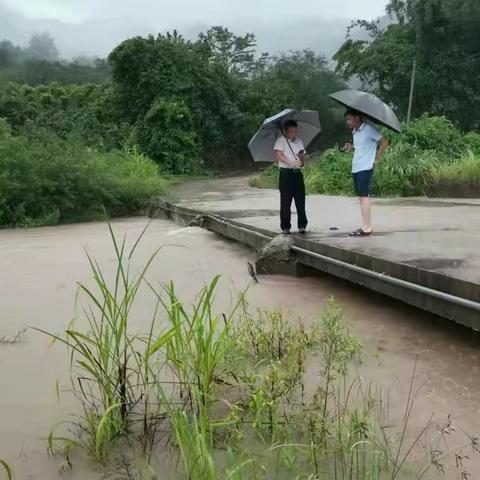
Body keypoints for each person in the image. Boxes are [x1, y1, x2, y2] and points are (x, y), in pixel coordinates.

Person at [343, 109, 389, 237]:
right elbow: (360, 147)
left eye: (349, 119)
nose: (348, 122)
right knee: (361, 197)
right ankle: (365, 225)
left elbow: (384, 141)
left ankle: (367, 228)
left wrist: (377, 159)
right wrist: (350, 147)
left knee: (364, 196)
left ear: (357, 117)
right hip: (356, 167)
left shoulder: (368, 129)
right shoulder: (355, 132)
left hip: (365, 167)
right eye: (347, 120)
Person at [273, 119, 308, 234]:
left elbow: (303, 160)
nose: (293, 134)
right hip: (285, 173)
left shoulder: (299, 141)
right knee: (285, 201)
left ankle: (302, 225)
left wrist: (301, 158)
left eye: (295, 131)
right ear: (286, 131)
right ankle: (285, 227)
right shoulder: (281, 140)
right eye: (291, 132)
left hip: (297, 173)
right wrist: (290, 162)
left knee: (300, 200)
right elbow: (278, 155)